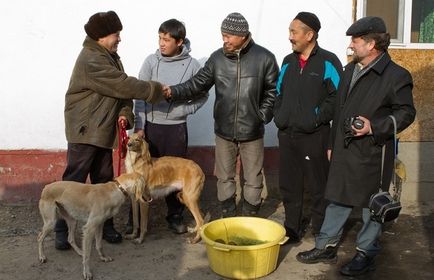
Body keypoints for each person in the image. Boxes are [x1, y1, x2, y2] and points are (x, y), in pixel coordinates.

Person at [296, 16, 416, 276]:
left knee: (371, 206)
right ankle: (326, 245)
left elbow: (407, 113)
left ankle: (366, 253)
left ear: (371, 44)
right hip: (343, 148)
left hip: (374, 152)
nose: (351, 45)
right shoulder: (351, 69)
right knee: (337, 197)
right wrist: (331, 143)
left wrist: (375, 126)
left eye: (356, 40)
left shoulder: (396, 75)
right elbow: (339, 112)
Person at [56, 10, 164, 250]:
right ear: (102, 36)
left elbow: (122, 93)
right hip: (85, 131)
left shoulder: (111, 57)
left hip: (103, 131)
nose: (119, 39)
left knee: (105, 181)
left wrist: (125, 115)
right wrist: (155, 90)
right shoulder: (91, 59)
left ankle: (105, 226)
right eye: (116, 34)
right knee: (73, 182)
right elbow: (122, 84)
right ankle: (62, 230)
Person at [163, 12, 279, 217]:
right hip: (223, 131)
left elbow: (273, 91)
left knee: (253, 178)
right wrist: (173, 91)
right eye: (222, 34)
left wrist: (261, 116)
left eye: (228, 35)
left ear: (243, 35)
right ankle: (228, 216)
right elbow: (197, 84)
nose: (224, 39)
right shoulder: (217, 58)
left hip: (252, 130)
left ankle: (250, 217)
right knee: (224, 177)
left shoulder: (265, 58)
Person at [132, 18, 208, 234]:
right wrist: (139, 126)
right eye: (160, 38)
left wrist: (183, 111)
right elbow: (139, 96)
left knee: (175, 176)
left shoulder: (193, 66)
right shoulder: (150, 62)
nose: (161, 43)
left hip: (176, 130)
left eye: (166, 39)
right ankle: (134, 218)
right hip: (150, 129)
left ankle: (174, 216)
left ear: (180, 41)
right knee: (141, 176)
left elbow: (203, 95)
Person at [273, 12, 343, 243]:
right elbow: (279, 92)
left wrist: (315, 118)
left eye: (294, 32)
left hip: (314, 135)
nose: (290, 37)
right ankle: (292, 229)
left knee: (317, 186)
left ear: (310, 34)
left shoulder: (329, 62)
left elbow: (337, 98)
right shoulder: (287, 61)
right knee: (289, 185)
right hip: (287, 134)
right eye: (290, 31)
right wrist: (279, 116)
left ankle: (321, 232)